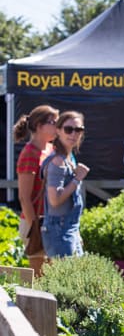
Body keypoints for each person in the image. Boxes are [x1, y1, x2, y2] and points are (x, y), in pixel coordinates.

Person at [13, 104, 59, 276]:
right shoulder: (30, 153)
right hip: (36, 223)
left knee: (55, 274)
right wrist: (36, 229)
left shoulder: (51, 150)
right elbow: (24, 197)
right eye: (53, 122)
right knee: (39, 277)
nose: (58, 126)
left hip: (51, 220)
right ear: (39, 126)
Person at [41, 111, 90, 258]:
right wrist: (77, 179)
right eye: (68, 129)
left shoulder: (68, 158)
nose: (73, 134)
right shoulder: (58, 161)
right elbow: (54, 200)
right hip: (59, 230)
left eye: (78, 130)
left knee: (77, 278)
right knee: (69, 279)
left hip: (69, 228)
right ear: (58, 131)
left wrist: (76, 232)